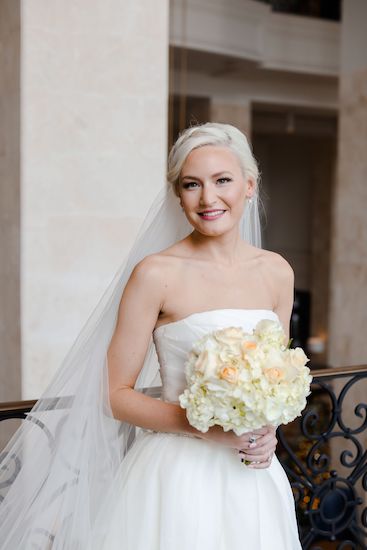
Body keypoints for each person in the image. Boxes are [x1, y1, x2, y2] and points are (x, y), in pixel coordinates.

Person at [0, 123, 302, 549]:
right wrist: (202, 428)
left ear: (249, 186)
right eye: (191, 184)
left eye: (223, 181)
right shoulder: (156, 274)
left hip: (253, 474)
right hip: (178, 478)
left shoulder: (277, 271)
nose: (208, 198)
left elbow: (276, 377)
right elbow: (113, 393)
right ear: (177, 196)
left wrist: (268, 428)